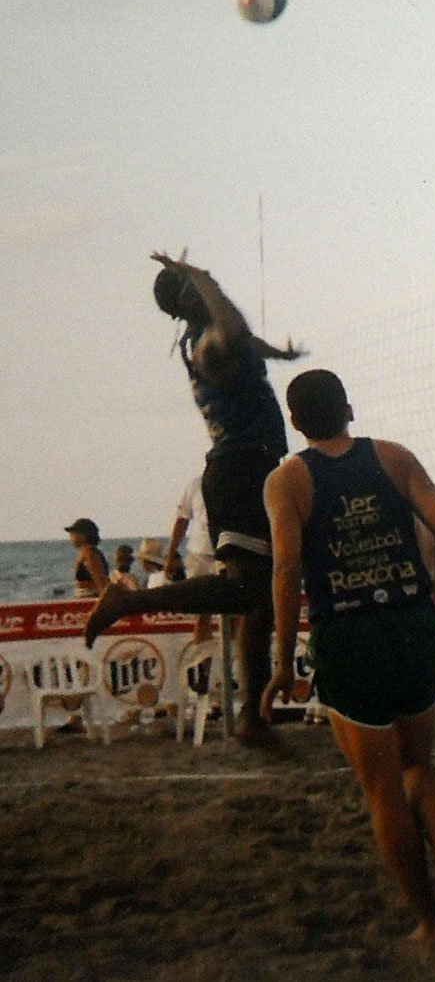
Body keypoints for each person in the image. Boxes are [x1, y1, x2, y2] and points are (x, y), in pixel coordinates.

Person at [261, 369, 435, 946]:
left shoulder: (287, 480)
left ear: (295, 421)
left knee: (382, 787)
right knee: (420, 766)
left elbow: (285, 571)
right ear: (349, 409)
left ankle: (429, 922)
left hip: (350, 635)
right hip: (413, 626)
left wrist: (282, 660)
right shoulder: (393, 456)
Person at [84, 251, 304, 748]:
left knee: (261, 608)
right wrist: (201, 276)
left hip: (251, 467)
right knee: (250, 593)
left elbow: (245, 340)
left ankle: (252, 717)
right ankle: (131, 600)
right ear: (188, 298)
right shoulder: (208, 343)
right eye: (198, 287)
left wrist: (279, 355)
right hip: (243, 470)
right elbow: (232, 330)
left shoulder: (212, 343)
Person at [166, 475, 218, 640]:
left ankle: (232, 660)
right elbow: (182, 520)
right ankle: (204, 662)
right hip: (200, 553)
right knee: (202, 615)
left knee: (234, 614)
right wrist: (171, 554)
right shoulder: (196, 484)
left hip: (226, 550)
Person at [65, 518, 109, 598]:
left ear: (83, 535)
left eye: (73, 533)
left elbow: (102, 583)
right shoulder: (87, 552)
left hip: (91, 600)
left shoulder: (90, 554)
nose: (71, 537)